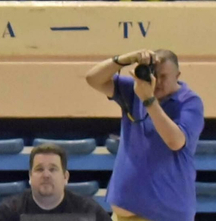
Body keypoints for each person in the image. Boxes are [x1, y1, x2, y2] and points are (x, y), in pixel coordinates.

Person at [84, 49, 203, 221]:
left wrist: (149, 100)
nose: (158, 82)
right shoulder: (136, 90)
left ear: (178, 75)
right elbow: (93, 79)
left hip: (165, 215)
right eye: (155, 75)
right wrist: (125, 59)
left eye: (164, 77)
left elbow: (175, 141)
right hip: (124, 211)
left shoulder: (190, 102)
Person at [0, 145, 111, 221]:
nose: (46, 175)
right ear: (30, 176)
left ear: (65, 177)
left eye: (53, 169)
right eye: (39, 169)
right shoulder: (8, 212)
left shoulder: (88, 210)